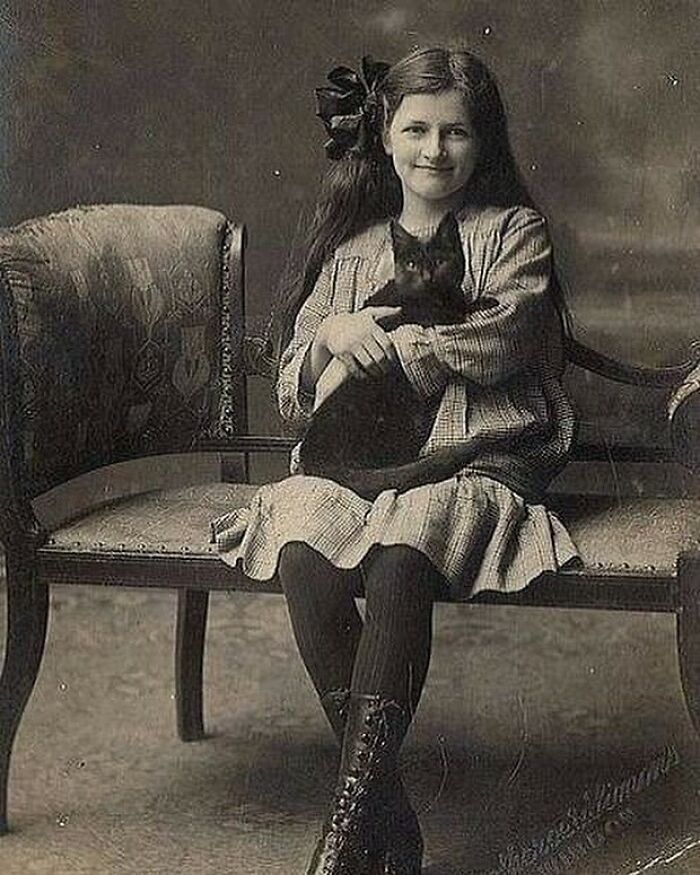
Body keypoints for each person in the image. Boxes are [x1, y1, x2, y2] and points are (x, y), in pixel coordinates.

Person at [212, 45, 580, 875]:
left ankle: (343, 842)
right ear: (384, 136)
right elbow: (293, 379)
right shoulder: (351, 253)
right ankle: (385, 812)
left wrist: (402, 345)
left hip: (472, 449)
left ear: (481, 143)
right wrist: (333, 341)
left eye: (455, 132)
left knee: (404, 549)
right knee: (303, 548)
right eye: (415, 129)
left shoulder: (512, 233)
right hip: (355, 460)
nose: (433, 151)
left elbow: (507, 333)